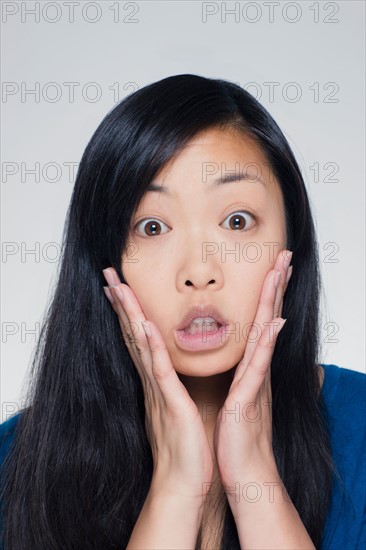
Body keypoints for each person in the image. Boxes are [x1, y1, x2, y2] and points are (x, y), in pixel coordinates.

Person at [0, 74, 365, 549]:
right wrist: (175, 486)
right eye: (152, 227)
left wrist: (253, 475)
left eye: (237, 221)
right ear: (104, 261)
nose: (198, 270)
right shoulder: (15, 464)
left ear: (291, 244)